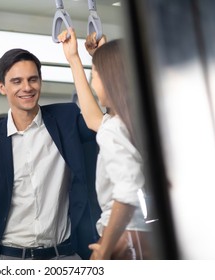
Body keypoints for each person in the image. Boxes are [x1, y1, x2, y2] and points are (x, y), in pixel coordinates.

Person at [0, 48, 101, 260]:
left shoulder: (66, 119)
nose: (27, 87)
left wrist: (89, 59)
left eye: (32, 79)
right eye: (16, 81)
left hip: (64, 256)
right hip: (12, 258)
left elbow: (100, 125)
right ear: (2, 87)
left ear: (40, 82)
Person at [58, 28, 152, 260]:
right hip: (150, 236)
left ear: (109, 79)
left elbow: (128, 192)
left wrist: (104, 248)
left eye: (94, 74)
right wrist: (75, 59)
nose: (93, 82)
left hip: (124, 236)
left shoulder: (114, 128)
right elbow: (94, 120)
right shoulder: (138, 123)